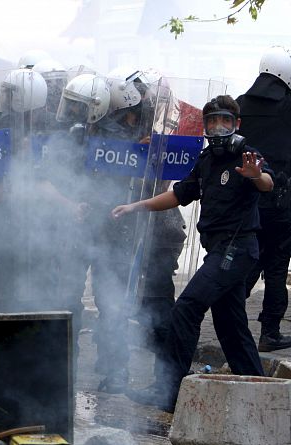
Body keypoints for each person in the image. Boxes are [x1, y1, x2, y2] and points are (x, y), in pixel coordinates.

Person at [114, 95, 271, 412]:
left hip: (236, 248)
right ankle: (260, 396)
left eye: (224, 120)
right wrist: (137, 206)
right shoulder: (207, 159)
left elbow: (266, 182)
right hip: (218, 249)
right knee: (230, 324)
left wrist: (255, 175)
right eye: (212, 121)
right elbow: (178, 195)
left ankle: (168, 391)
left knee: (186, 307)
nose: (218, 126)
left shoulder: (245, 154)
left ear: (236, 123)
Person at [238, 45, 291, 351]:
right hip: (280, 203)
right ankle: (269, 332)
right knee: (275, 268)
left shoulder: (240, 104)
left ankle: (228, 319)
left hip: (246, 202)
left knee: (247, 263)